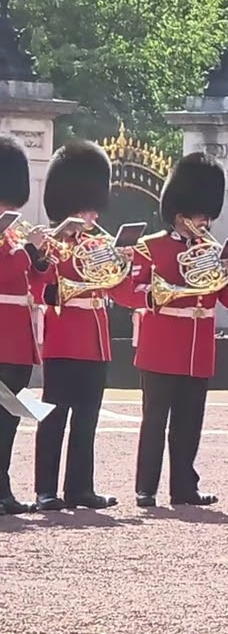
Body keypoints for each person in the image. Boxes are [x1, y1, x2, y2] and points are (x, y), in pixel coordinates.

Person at [125, 152, 228, 508]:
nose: (205, 221)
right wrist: (153, 294)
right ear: (180, 214)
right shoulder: (151, 246)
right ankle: (146, 487)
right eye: (200, 214)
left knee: (190, 423)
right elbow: (130, 291)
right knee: (154, 421)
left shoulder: (213, 251)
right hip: (162, 344)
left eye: (207, 215)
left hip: (198, 345)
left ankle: (183, 487)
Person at [34, 140, 126, 511]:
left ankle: (80, 488)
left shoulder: (99, 243)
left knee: (87, 420)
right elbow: (41, 286)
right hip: (63, 337)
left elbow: (119, 289)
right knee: (54, 417)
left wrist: (124, 262)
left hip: (96, 341)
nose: (93, 214)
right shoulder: (51, 242)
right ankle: (45, 490)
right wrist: (46, 253)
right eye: (87, 207)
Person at [0, 136, 51, 515]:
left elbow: (34, 284)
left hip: (17, 343)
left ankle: (3, 490)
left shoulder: (13, 236)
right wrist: (25, 251)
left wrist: (40, 257)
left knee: (9, 421)